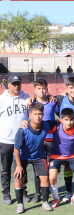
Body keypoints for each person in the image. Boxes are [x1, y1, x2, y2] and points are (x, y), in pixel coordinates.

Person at [13, 103, 58, 213]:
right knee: (19, 178)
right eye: (35, 114)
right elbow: (16, 149)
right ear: (29, 115)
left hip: (39, 156)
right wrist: (18, 166)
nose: (38, 116)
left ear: (43, 115)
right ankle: (20, 204)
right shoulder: (22, 129)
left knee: (45, 177)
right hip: (22, 157)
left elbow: (59, 121)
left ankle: (45, 202)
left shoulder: (46, 125)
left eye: (40, 114)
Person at [0, 74, 30, 205]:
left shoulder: (27, 98)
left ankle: (22, 192)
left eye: (18, 83)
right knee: (5, 169)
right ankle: (6, 194)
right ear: (8, 85)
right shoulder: (2, 99)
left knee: (22, 168)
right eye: (14, 84)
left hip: (22, 141)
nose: (16, 86)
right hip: (6, 140)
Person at [29, 79, 59, 203]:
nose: (41, 91)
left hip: (52, 140)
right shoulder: (31, 103)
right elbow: (27, 119)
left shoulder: (53, 102)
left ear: (47, 89)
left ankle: (52, 192)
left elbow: (60, 115)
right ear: (35, 90)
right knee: (38, 168)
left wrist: (55, 97)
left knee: (51, 168)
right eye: (39, 88)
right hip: (38, 140)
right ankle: (37, 193)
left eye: (43, 88)